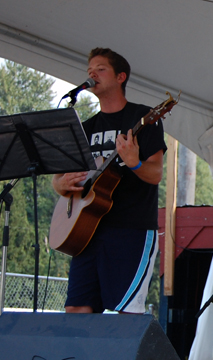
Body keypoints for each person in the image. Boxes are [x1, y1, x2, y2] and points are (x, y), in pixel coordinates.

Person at [52, 47, 166, 314]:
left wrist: (134, 161)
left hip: (131, 231)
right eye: (90, 70)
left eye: (100, 69)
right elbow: (59, 177)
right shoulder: (86, 127)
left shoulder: (143, 118)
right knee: (76, 312)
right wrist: (58, 185)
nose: (92, 73)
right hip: (85, 232)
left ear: (120, 77)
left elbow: (156, 174)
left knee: (123, 315)